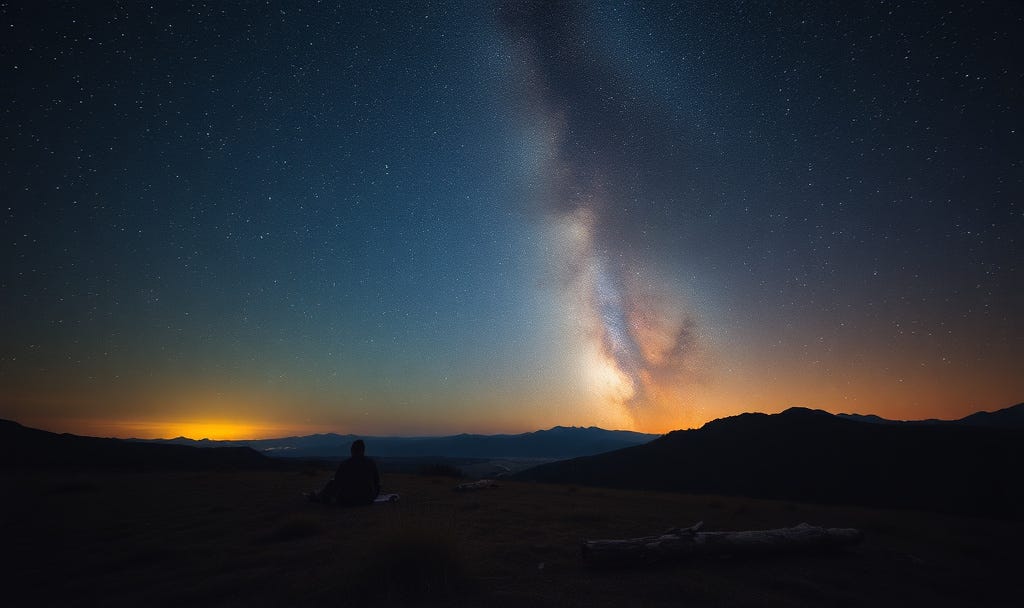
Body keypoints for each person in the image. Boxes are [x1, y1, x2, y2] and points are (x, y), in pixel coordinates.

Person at [307, 439, 381, 506]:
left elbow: (337, 482)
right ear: (363, 450)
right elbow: (377, 482)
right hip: (367, 499)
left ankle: (318, 496)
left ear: (352, 450)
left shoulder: (345, 464)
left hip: (348, 500)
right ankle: (318, 495)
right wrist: (373, 495)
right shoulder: (371, 463)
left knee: (332, 483)